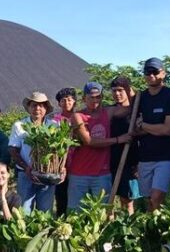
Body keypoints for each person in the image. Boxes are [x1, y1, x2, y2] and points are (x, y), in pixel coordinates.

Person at [68, 81, 133, 211]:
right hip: (80, 173)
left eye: (98, 97)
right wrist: (118, 139)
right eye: (91, 97)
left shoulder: (108, 112)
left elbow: (130, 107)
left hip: (102, 174)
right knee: (76, 213)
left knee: (102, 213)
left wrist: (128, 89)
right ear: (84, 98)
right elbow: (89, 141)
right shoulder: (77, 116)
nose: (95, 100)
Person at [133, 58, 170, 212]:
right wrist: (153, 128)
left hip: (166, 156)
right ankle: (151, 229)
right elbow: (134, 130)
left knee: (156, 197)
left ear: (163, 73)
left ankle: (157, 230)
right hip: (145, 156)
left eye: (155, 72)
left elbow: (168, 129)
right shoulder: (140, 98)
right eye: (148, 72)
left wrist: (144, 125)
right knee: (148, 199)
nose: (151, 75)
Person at [8, 91, 60, 213]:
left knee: (45, 212)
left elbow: (58, 151)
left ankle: (43, 232)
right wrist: (26, 168)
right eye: (34, 105)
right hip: (25, 174)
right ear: (29, 108)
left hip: (47, 175)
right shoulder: (19, 125)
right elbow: (12, 149)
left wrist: (60, 169)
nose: (37, 108)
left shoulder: (54, 126)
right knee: (24, 212)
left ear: (46, 109)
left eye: (41, 105)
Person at [109, 76, 141, 213]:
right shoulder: (109, 110)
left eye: (121, 90)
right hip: (111, 159)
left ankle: (129, 229)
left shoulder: (136, 110)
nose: (117, 94)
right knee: (108, 200)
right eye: (114, 91)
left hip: (130, 161)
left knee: (127, 200)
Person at [53, 87, 77, 216]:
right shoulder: (55, 121)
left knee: (76, 196)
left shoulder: (80, 118)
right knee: (61, 195)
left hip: (78, 163)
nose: (66, 103)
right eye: (63, 100)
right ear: (59, 103)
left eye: (69, 100)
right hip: (60, 165)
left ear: (74, 102)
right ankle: (60, 221)